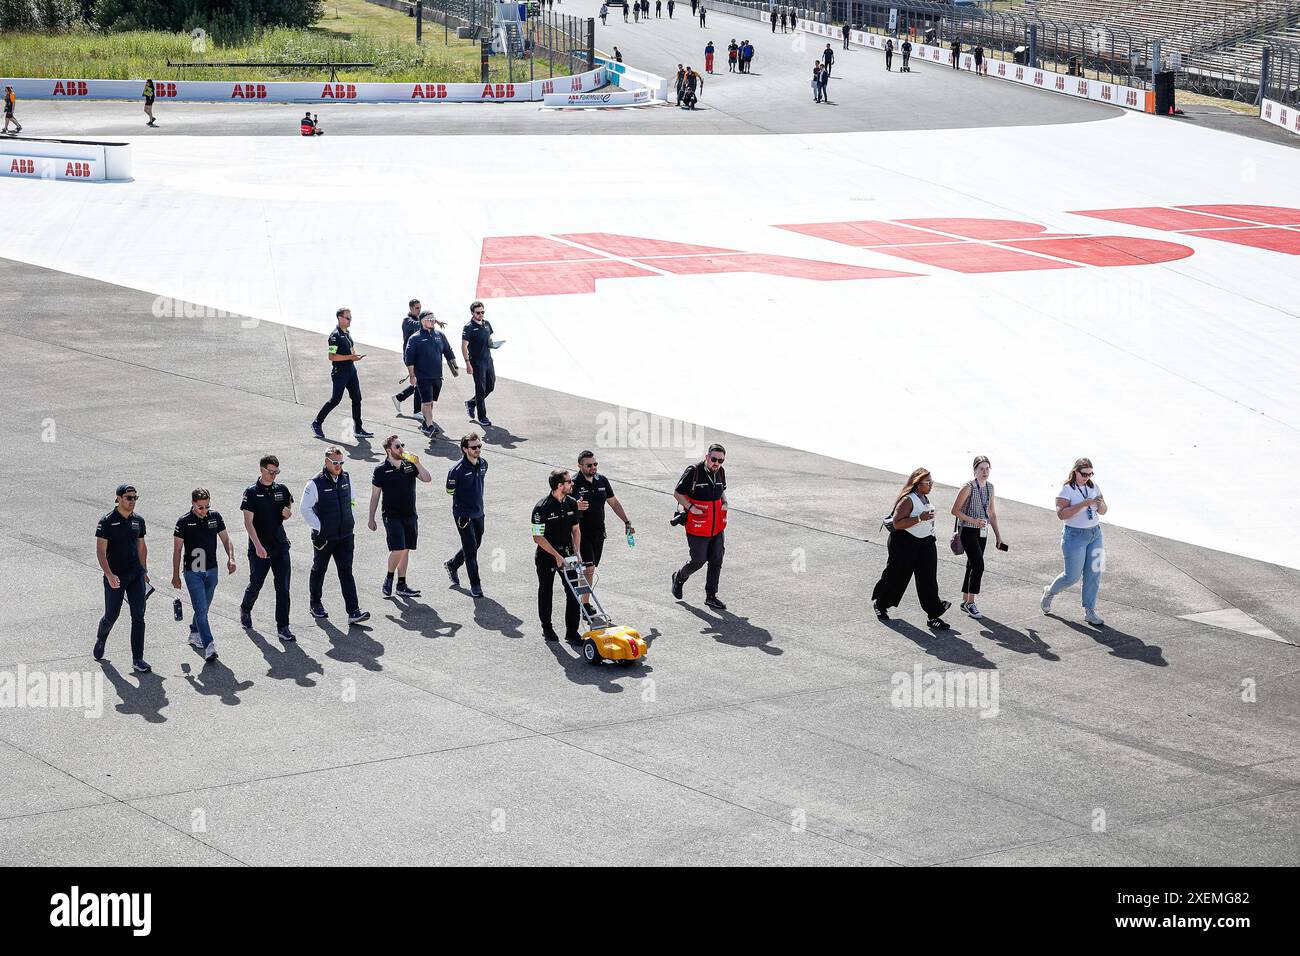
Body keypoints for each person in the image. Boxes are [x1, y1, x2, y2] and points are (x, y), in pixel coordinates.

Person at [871, 468, 951, 629]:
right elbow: (897, 523)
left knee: (928, 579)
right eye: (928, 482)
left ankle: (933, 615)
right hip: (904, 544)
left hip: (926, 543)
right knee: (896, 576)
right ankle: (881, 604)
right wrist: (920, 518)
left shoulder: (924, 497)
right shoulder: (908, 499)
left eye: (931, 482)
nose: (931, 485)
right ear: (917, 483)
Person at [302, 447, 370, 624]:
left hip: (346, 535)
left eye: (341, 462)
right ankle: (315, 603)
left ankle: (353, 611)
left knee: (346, 571)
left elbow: (352, 500)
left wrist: (351, 517)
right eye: (335, 462)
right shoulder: (314, 484)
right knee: (319, 569)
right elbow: (305, 509)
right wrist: (320, 527)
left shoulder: (346, 478)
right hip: (324, 538)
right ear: (326, 462)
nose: (338, 466)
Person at [172, 488, 236, 661]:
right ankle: (209, 645)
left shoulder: (215, 517)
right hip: (193, 572)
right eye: (200, 507)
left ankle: (194, 632)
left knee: (204, 607)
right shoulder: (184, 522)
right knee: (201, 610)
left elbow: (226, 540)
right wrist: (175, 575)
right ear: (193, 504)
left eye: (207, 506)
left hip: (212, 570)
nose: (204, 510)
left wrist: (231, 558)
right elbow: (177, 549)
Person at [1042, 457, 1107, 626]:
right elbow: (1061, 514)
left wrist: (1100, 505)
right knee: (1072, 576)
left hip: (1095, 534)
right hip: (1074, 536)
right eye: (1084, 473)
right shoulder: (1067, 490)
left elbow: (1104, 510)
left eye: (1090, 473)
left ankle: (1090, 611)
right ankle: (1050, 591)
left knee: (1095, 572)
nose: (1087, 477)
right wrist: (1084, 504)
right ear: (1076, 472)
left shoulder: (1093, 486)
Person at [94, 484, 151, 672]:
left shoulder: (138, 521)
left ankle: (138, 659)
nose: (132, 501)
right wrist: (109, 574)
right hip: (115, 577)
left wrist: (144, 571)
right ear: (118, 498)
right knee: (112, 615)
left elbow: (142, 547)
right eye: (129, 497)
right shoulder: (107, 522)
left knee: (139, 616)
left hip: (135, 575)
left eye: (135, 498)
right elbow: (101, 552)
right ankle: (101, 638)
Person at [240, 454, 296, 642]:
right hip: (260, 548)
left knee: (283, 588)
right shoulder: (252, 492)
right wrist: (257, 546)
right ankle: (246, 608)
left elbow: (288, 505)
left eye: (276, 472)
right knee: (256, 583)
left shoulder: (282, 489)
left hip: (280, 546)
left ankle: (283, 626)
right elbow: (248, 523)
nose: (273, 475)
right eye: (270, 471)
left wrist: (288, 513)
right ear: (262, 470)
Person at [369, 435, 432, 599]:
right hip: (391, 515)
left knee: (405, 549)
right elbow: (375, 496)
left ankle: (401, 584)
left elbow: (427, 478)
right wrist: (371, 518)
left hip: (410, 514)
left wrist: (418, 462)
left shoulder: (409, 465)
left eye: (402, 445)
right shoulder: (381, 470)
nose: (401, 448)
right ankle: (389, 578)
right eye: (397, 446)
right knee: (397, 548)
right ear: (389, 450)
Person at [670, 443, 728, 609]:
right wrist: (691, 508)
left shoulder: (720, 472)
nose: (716, 463)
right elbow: (677, 493)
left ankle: (711, 596)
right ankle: (679, 577)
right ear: (707, 457)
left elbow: (721, 489)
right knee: (698, 561)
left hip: (717, 526)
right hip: (697, 526)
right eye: (714, 459)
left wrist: (725, 501)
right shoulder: (694, 471)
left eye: (720, 460)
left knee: (716, 560)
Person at [531, 469, 583, 643]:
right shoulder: (541, 508)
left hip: (567, 554)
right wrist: (555, 555)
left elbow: (575, 529)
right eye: (569, 482)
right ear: (560, 485)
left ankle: (572, 632)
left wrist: (577, 551)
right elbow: (538, 537)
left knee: (574, 592)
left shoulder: (572, 503)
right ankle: (547, 627)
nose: (572, 483)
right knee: (546, 591)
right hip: (546, 556)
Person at [950, 456, 1004, 619]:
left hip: (982, 532)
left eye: (987, 469)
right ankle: (970, 603)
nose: (985, 472)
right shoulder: (968, 487)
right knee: (978, 565)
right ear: (975, 470)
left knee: (972, 564)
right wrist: (974, 521)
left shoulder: (990, 488)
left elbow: (992, 513)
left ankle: (965, 600)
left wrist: (998, 536)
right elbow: (955, 510)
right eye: (981, 468)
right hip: (967, 530)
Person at [574, 451, 634, 593]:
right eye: (589, 465)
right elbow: (563, 506)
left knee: (591, 568)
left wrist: (626, 521)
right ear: (580, 465)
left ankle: (583, 601)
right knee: (587, 568)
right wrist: (575, 506)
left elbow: (613, 503)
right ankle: (585, 604)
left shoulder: (602, 480)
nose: (593, 467)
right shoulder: (573, 483)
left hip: (599, 532)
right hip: (581, 533)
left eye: (595, 464)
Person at [312, 307, 374, 442]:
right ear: (340, 318)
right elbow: (332, 357)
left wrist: (354, 357)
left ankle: (358, 429)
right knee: (335, 400)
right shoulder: (335, 336)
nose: (350, 320)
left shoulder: (347, 333)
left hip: (351, 371)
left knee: (357, 398)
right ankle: (317, 423)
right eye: (348, 318)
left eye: (350, 317)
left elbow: (351, 349)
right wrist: (350, 357)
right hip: (340, 373)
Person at [403, 310, 460, 439]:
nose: (433, 321)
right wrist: (412, 375)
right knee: (427, 402)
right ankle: (429, 426)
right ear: (423, 321)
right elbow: (409, 358)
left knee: (430, 401)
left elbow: (448, 351)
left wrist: (454, 367)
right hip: (423, 376)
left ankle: (425, 423)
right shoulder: (415, 338)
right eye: (430, 319)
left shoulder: (440, 335)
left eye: (434, 318)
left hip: (437, 376)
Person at [445, 432, 488, 598]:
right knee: (471, 551)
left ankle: (452, 564)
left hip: (479, 512)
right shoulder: (456, 470)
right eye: (474, 447)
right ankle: (475, 585)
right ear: (464, 449)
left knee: (476, 544)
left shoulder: (484, 464)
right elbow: (450, 491)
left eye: (479, 446)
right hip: (463, 515)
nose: (478, 449)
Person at [393, 300, 445, 416]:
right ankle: (416, 411)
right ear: (410, 308)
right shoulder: (407, 321)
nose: (419, 310)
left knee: (421, 382)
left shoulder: (418, 320)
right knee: (421, 381)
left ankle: (399, 397)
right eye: (416, 308)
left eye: (420, 308)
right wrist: (434, 320)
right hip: (411, 356)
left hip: (421, 357)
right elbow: (418, 324)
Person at [461, 300, 498, 427]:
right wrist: (467, 363)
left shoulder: (487, 324)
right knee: (480, 389)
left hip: (488, 360)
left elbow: (489, 338)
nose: (481, 314)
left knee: (491, 386)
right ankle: (482, 416)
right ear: (472, 313)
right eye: (478, 313)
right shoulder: (468, 327)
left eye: (482, 312)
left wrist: (493, 345)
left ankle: (471, 403)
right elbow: (464, 346)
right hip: (476, 362)